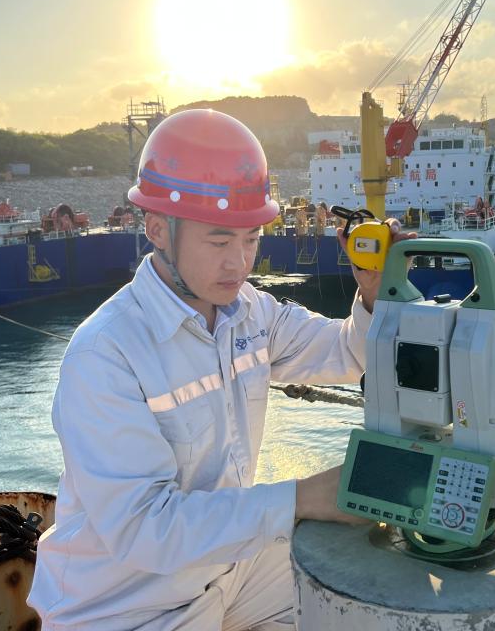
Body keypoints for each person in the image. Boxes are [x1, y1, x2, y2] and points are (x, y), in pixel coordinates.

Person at [28, 109, 413, 630]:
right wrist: (302, 499)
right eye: (219, 241)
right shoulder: (105, 355)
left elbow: (348, 353)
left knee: (361, 581)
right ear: (158, 229)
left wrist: (372, 294)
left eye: (251, 239)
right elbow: (145, 529)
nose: (239, 263)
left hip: (226, 569)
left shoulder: (249, 312)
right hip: (125, 603)